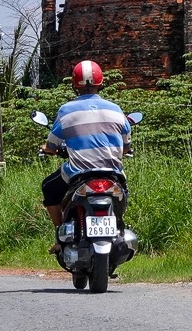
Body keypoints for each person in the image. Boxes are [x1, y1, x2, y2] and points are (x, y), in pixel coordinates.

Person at [40, 60, 130, 250]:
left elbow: (51, 145)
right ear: (101, 82)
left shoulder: (66, 111)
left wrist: (48, 149)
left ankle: (60, 236)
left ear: (74, 85)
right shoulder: (115, 109)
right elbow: (126, 146)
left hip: (79, 173)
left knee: (48, 187)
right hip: (112, 173)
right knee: (124, 194)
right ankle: (118, 224)